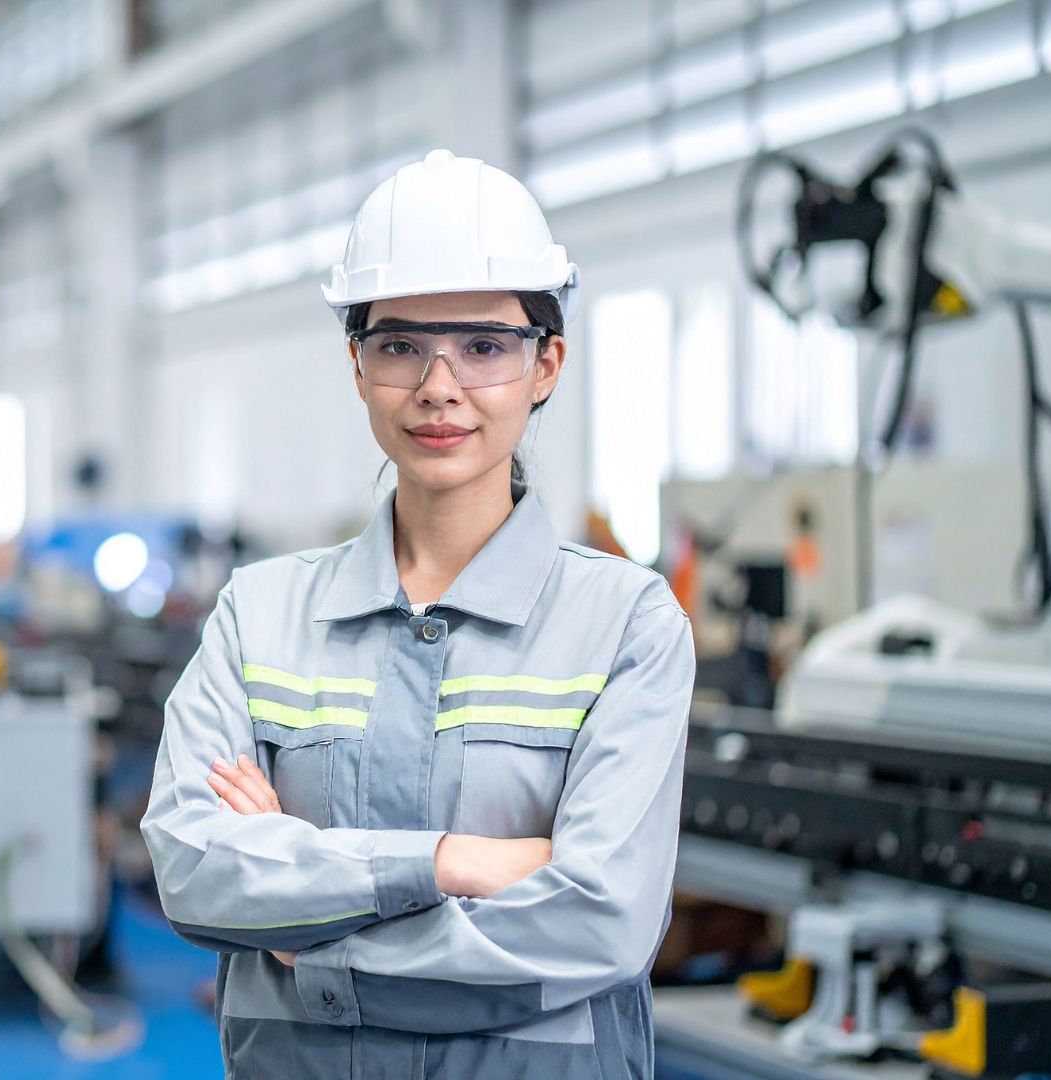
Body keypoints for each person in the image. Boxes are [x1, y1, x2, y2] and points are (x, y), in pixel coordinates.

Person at [141, 150, 695, 1078]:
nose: (439, 386)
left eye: (483, 346)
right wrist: (455, 862)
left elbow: (597, 921)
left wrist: (309, 934)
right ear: (357, 366)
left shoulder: (626, 625)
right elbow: (195, 870)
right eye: (400, 344)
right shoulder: (259, 616)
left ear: (545, 364)